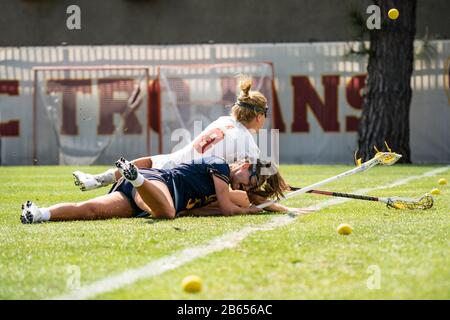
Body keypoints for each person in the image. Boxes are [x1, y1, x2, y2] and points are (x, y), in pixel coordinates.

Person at [73, 77, 268, 192]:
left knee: (149, 161)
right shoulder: (248, 142)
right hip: (182, 178)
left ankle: (97, 180)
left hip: (173, 161)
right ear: (259, 116)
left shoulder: (223, 121)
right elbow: (258, 174)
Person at [20, 156, 309, 224]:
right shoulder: (221, 167)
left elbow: (257, 203)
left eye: (250, 187)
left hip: (144, 198)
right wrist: (249, 208)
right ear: (244, 164)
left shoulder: (231, 184)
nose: (245, 187)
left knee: (93, 210)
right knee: (168, 212)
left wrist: (289, 208)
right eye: (248, 179)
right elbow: (230, 208)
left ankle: (38, 213)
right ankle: (135, 177)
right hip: (157, 182)